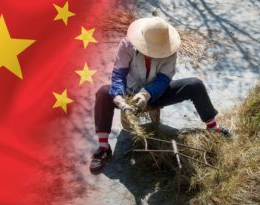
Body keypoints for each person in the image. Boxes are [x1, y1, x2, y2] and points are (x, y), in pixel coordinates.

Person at [90, 17, 230, 171]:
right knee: (103, 92)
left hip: (157, 93)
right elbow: (119, 74)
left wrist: (146, 95)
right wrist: (118, 96)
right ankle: (103, 148)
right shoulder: (127, 44)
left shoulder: (170, 50)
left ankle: (212, 127)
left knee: (194, 84)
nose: (151, 54)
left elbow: (164, 79)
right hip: (129, 92)